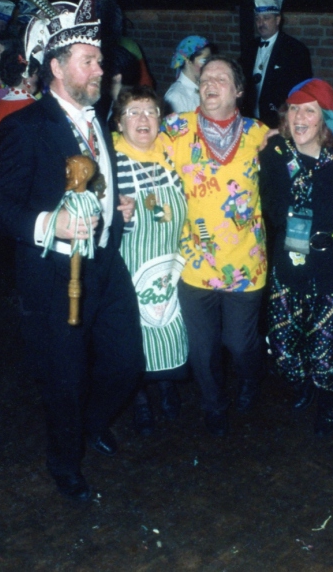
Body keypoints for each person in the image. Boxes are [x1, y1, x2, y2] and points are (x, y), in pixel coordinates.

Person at [0, 0, 145, 502]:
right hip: (55, 277)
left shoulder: (98, 113)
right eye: (89, 61)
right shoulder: (25, 127)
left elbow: (95, 182)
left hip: (105, 262)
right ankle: (64, 462)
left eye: (99, 60)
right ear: (56, 67)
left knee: (126, 363)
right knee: (65, 379)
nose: (101, 69)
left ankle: (92, 423)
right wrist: (50, 225)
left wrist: (113, 208)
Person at [163, 55, 269, 437]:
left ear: (238, 91)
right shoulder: (174, 129)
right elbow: (134, 150)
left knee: (240, 345)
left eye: (221, 79)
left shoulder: (259, 135)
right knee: (203, 349)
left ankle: (251, 378)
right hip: (194, 262)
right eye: (205, 78)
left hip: (246, 263)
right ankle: (214, 405)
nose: (210, 83)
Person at [260, 78, 333, 436]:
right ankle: (301, 383)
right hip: (290, 261)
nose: (299, 118)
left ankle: (326, 402)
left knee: (327, 344)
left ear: (325, 119)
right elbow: (270, 207)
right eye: (294, 110)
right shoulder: (274, 154)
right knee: (286, 343)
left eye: (309, 111)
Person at [112, 86, 188, 435]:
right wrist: (115, 213)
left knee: (169, 328)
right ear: (119, 122)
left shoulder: (173, 153)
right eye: (134, 112)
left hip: (170, 265)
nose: (143, 119)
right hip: (128, 265)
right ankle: (140, 399)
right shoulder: (109, 160)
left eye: (151, 111)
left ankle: (167, 385)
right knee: (133, 335)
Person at [242, 0, 313, 128]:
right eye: (257, 19)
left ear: (278, 20)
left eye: (266, 18)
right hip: (249, 121)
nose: (261, 23)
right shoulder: (249, 48)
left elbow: (301, 92)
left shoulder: (295, 50)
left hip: (278, 123)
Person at [0, 35, 38, 185]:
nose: (37, 78)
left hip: (0, 181)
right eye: (35, 74)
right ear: (27, 77)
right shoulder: (36, 108)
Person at [164, 35, 212, 115]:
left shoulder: (204, 86)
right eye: (204, 61)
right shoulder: (176, 97)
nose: (209, 65)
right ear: (188, 61)